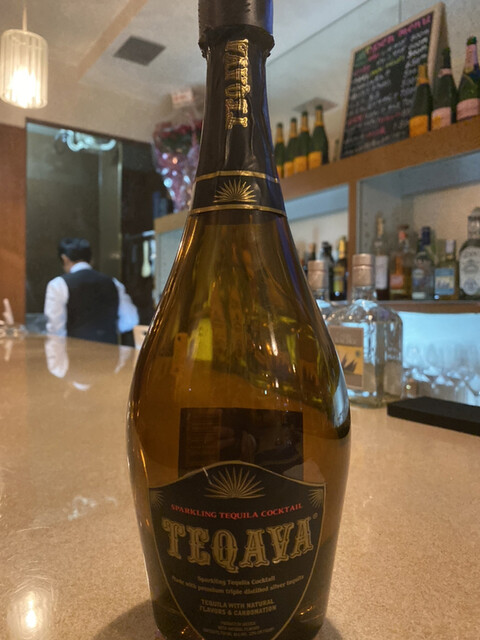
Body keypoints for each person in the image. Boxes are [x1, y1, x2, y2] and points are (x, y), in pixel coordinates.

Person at [44, 238, 139, 344]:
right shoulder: (114, 283)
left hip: (74, 351)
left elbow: (55, 329)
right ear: (91, 259)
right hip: (109, 350)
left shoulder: (58, 285)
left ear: (64, 258)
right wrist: (108, 330)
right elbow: (131, 320)